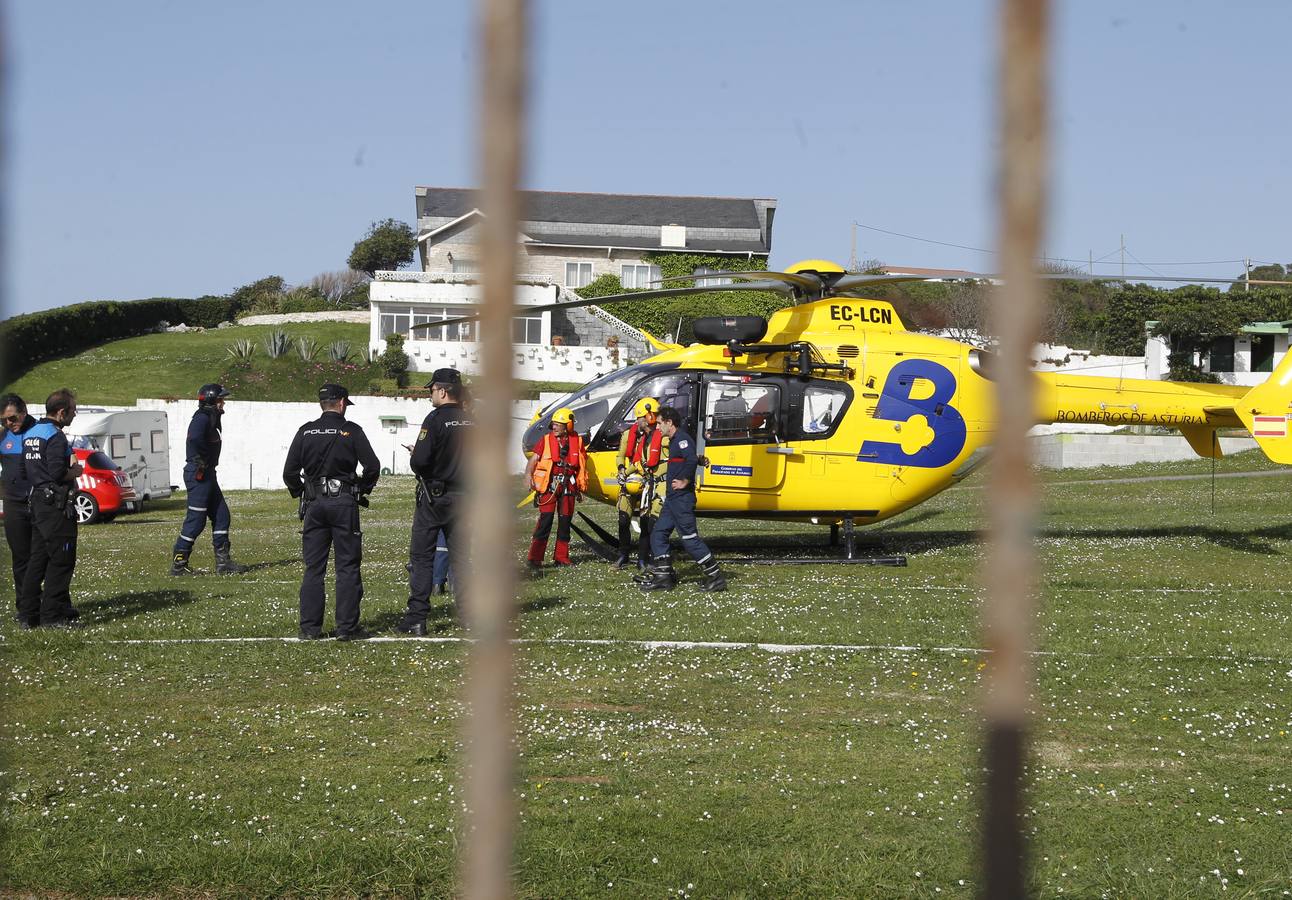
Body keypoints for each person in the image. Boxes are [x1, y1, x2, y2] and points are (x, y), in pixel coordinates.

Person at [283, 384, 381, 641]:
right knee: (347, 566)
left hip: (315, 504)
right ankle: (346, 629)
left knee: (314, 568)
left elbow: (289, 473)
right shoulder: (351, 430)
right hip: (344, 503)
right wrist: (362, 488)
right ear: (340, 403)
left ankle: (310, 628)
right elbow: (372, 465)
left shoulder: (305, 431)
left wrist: (302, 492)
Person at [397, 368, 471, 636]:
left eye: (431, 390)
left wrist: (419, 456)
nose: (430, 394)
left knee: (422, 557)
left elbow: (420, 461)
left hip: (435, 498)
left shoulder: (435, 419)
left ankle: (417, 617)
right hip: (465, 497)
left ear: (442, 391)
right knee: (461, 559)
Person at [637, 405, 727, 592]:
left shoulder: (682, 439)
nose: (658, 427)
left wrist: (685, 480)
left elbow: (691, 460)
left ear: (670, 423)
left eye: (660, 423)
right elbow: (691, 457)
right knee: (659, 533)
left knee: (689, 539)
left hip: (681, 499)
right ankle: (663, 577)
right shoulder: (675, 440)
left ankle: (715, 577)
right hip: (672, 499)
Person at [20, 389, 85, 627]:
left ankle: (28, 614)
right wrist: (75, 472)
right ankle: (53, 616)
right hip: (55, 505)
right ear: (61, 412)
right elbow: (58, 471)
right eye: (72, 410)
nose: (74, 414)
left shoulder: (31, 434)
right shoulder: (55, 436)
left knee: (38, 558)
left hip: (36, 501)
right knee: (61, 559)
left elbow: (24, 471)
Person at [171, 383, 249, 575]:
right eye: (221, 400)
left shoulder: (212, 418)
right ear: (212, 401)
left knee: (222, 516)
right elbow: (194, 438)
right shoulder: (201, 418)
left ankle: (223, 564)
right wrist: (201, 458)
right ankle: (179, 565)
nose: (224, 403)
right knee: (196, 522)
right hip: (198, 474)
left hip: (208, 474)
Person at [524, 407, 587, 567]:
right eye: (554, 424)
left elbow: (581, 466)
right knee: (545, 521)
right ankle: (534, 558)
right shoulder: (545, 440)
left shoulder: (577, 442)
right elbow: (533, 460)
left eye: (558, 424)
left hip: (568, 487)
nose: (554, 427)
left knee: (565, 523)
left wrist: (579, 488)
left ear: (568, 426)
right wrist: (528, 476)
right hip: (549, 487)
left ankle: (561, 558)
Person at [614, 396, 668, 570]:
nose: (637, 421)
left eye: (640, 417)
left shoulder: (663, 436)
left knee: (647, 523)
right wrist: (623, 471)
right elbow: (625, 456)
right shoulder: (630, 435)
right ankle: (623, 555)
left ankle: (644, 559)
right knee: (623, 519)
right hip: (631, 479)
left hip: (649, 482)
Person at [2, 394, 39, 627]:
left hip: (39, 504)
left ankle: (53, 604)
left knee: (44, 557)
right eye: (4, 420)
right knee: (21, 559)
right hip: (14, 505)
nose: (9, 423)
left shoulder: (40, 431)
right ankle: (25, 609)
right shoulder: (2, 435)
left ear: (24, 411)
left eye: (12, 418)